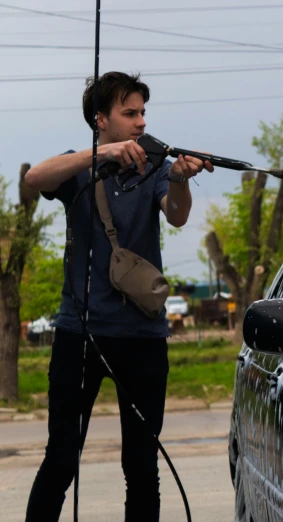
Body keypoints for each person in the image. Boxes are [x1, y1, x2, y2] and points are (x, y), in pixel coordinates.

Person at [22, 71, 214, 521]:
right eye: (130, 113)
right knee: (61, 459)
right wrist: (99, 154)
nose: (141, 122)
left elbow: (178, 217)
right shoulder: (80, 165)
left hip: (144, 335)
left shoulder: (156, 166)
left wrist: (182, 178)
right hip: (80, 334)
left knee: (142, 465)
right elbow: (35, 177)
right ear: (100, 119)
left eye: (144, 112)